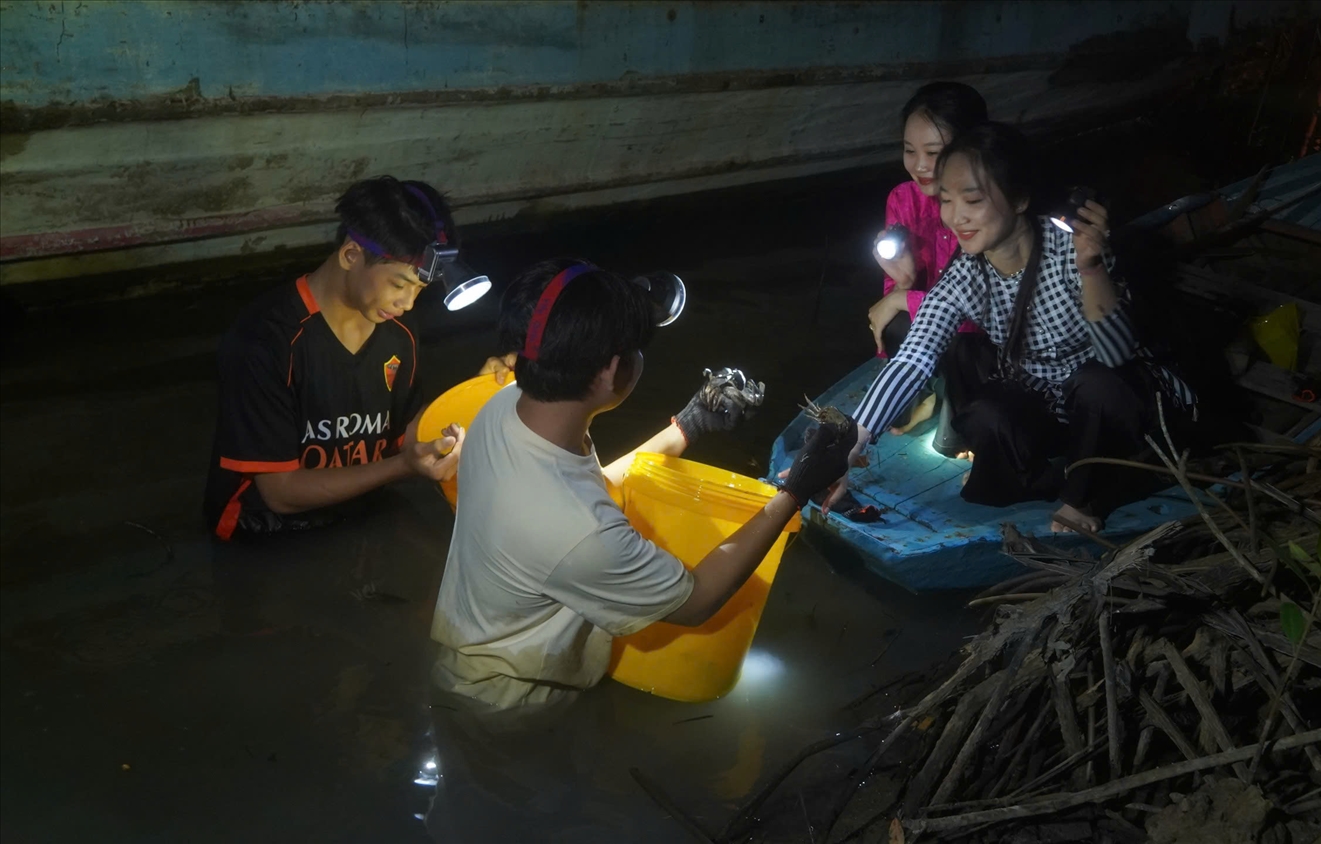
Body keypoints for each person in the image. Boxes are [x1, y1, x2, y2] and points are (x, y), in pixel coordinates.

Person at [429, 259, 853, 711]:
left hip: (467, 659)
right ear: (612, 371)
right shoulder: (578, 531)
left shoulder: (507, 410)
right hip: (512, 701)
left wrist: (687, 426)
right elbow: (696, 601)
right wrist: (797, 490)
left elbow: (591, 487)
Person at [827, 123, 1197, 534]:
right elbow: (916, 355)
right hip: (1054, 404)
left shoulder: (1070, 247)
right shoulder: (966, 272)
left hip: (1124, 402)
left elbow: (1116, 356)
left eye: (972, 199)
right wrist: (849, 443)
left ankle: (1086, 497)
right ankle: (1063, 476)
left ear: (1020, 198)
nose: (956, 217)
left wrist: (1092, 267)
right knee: (987, 416)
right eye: (947, 200)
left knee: (1098, 382)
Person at [203, 176, 488, 540]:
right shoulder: (265, 340)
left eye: (421, 288)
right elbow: (281, 492)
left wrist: (479, 396)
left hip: (361, 510)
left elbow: (407, 432)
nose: (408, 303)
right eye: (399, 284)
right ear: (351, 255)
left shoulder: (395, 329)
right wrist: (402, 467)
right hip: (264, 533)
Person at [867, 81, 988, 437]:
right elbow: (893, 295)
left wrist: (907, 297)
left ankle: (961, 408)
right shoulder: (902, 199)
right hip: (935, 326)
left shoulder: (987, 206)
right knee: (892, 320)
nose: (919, 165)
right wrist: (902, 282)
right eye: (909, 150)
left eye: (934, 153)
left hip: (984, 339)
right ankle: (931, 393)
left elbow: (985, 309)